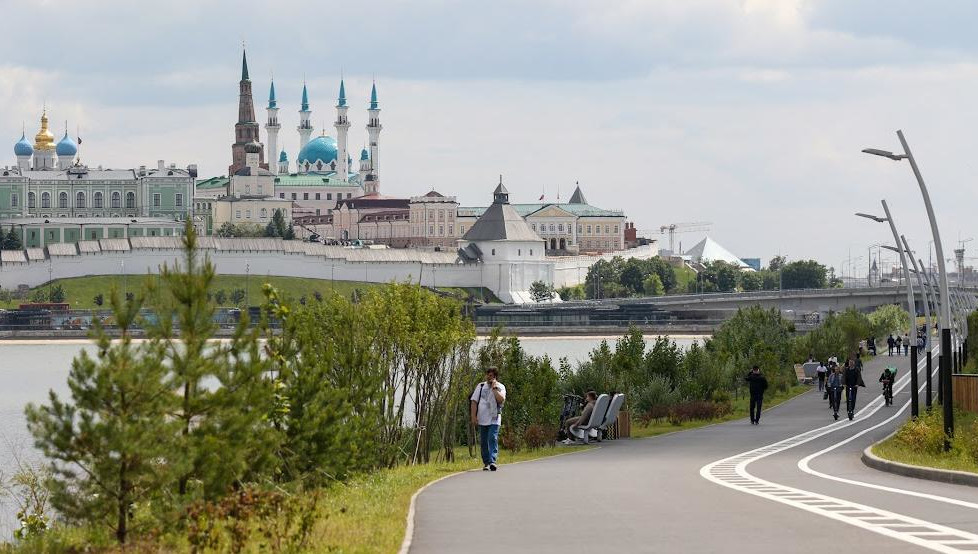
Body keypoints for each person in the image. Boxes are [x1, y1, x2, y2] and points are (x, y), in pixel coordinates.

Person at [470, 367, 507, 471]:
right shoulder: (481, 386)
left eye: (491, 375)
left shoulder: (500, 387)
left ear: (495, 376)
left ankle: (492, 461)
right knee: (484, 441)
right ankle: (486, 462)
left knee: (492, 438)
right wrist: (473, 416)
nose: (488, 377)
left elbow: (501, 400)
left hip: (494, 418)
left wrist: (494, 388)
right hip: (482, 418)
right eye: (487, 375)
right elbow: (474, 401)